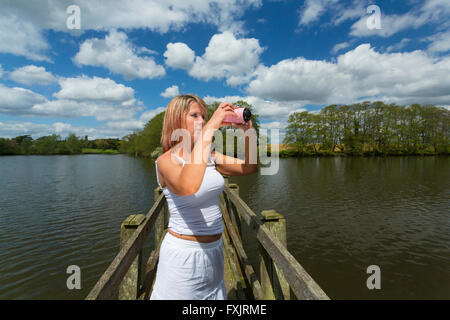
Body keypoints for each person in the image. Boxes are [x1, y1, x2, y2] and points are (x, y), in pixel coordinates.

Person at [150, 94, 258, 300]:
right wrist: (210, 129)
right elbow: (187, 186)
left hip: (215, 252)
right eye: (195, 115)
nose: (202, 121)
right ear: (176, 120)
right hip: (184, 259)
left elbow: (249, 167)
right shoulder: (166, 161)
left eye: (204, 116)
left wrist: (248, 134)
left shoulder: (209, 156)